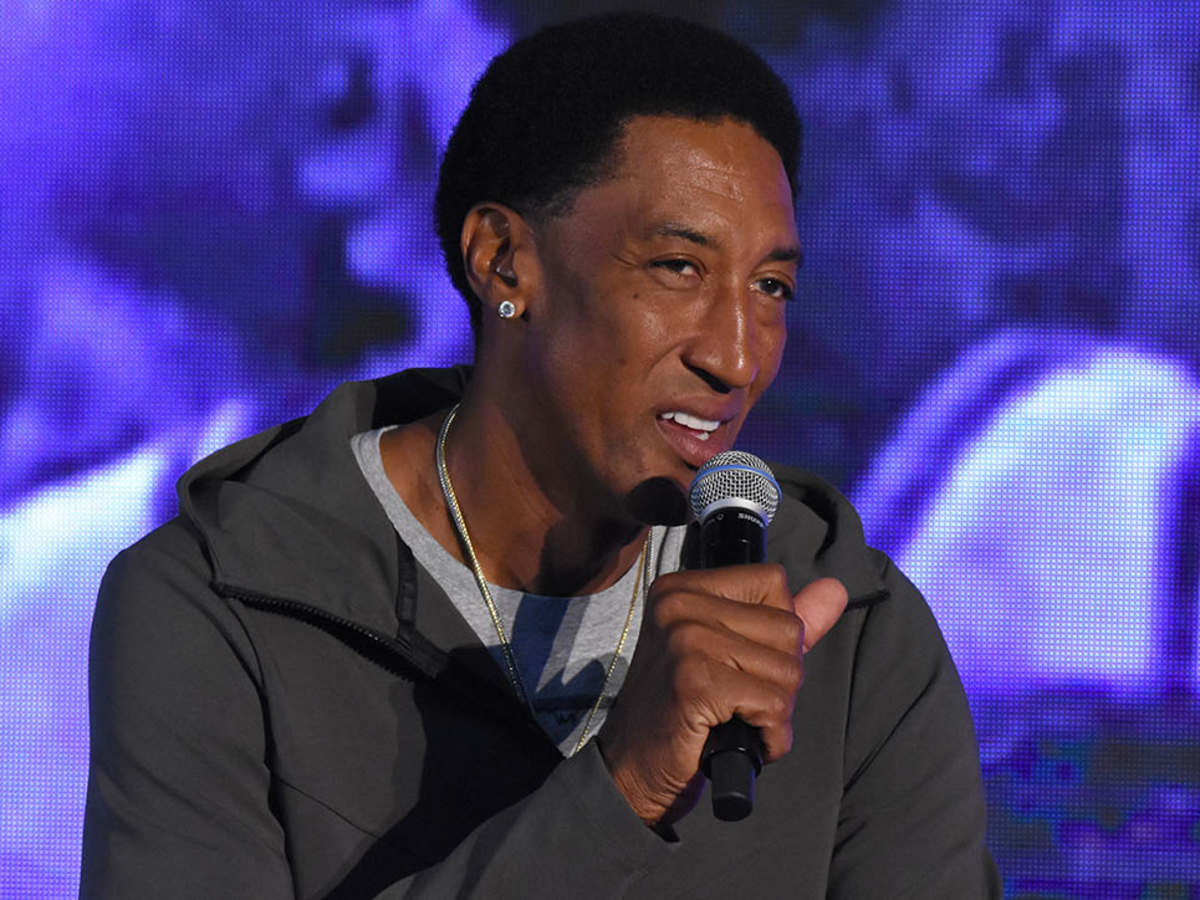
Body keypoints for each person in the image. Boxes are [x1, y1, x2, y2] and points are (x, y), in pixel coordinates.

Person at [81, 12, 999, 898]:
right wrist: (622, 788)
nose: (737, 356)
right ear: (503, 261)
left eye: (770, 287)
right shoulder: (224, 606)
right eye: (677, 268)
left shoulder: (849, 634)